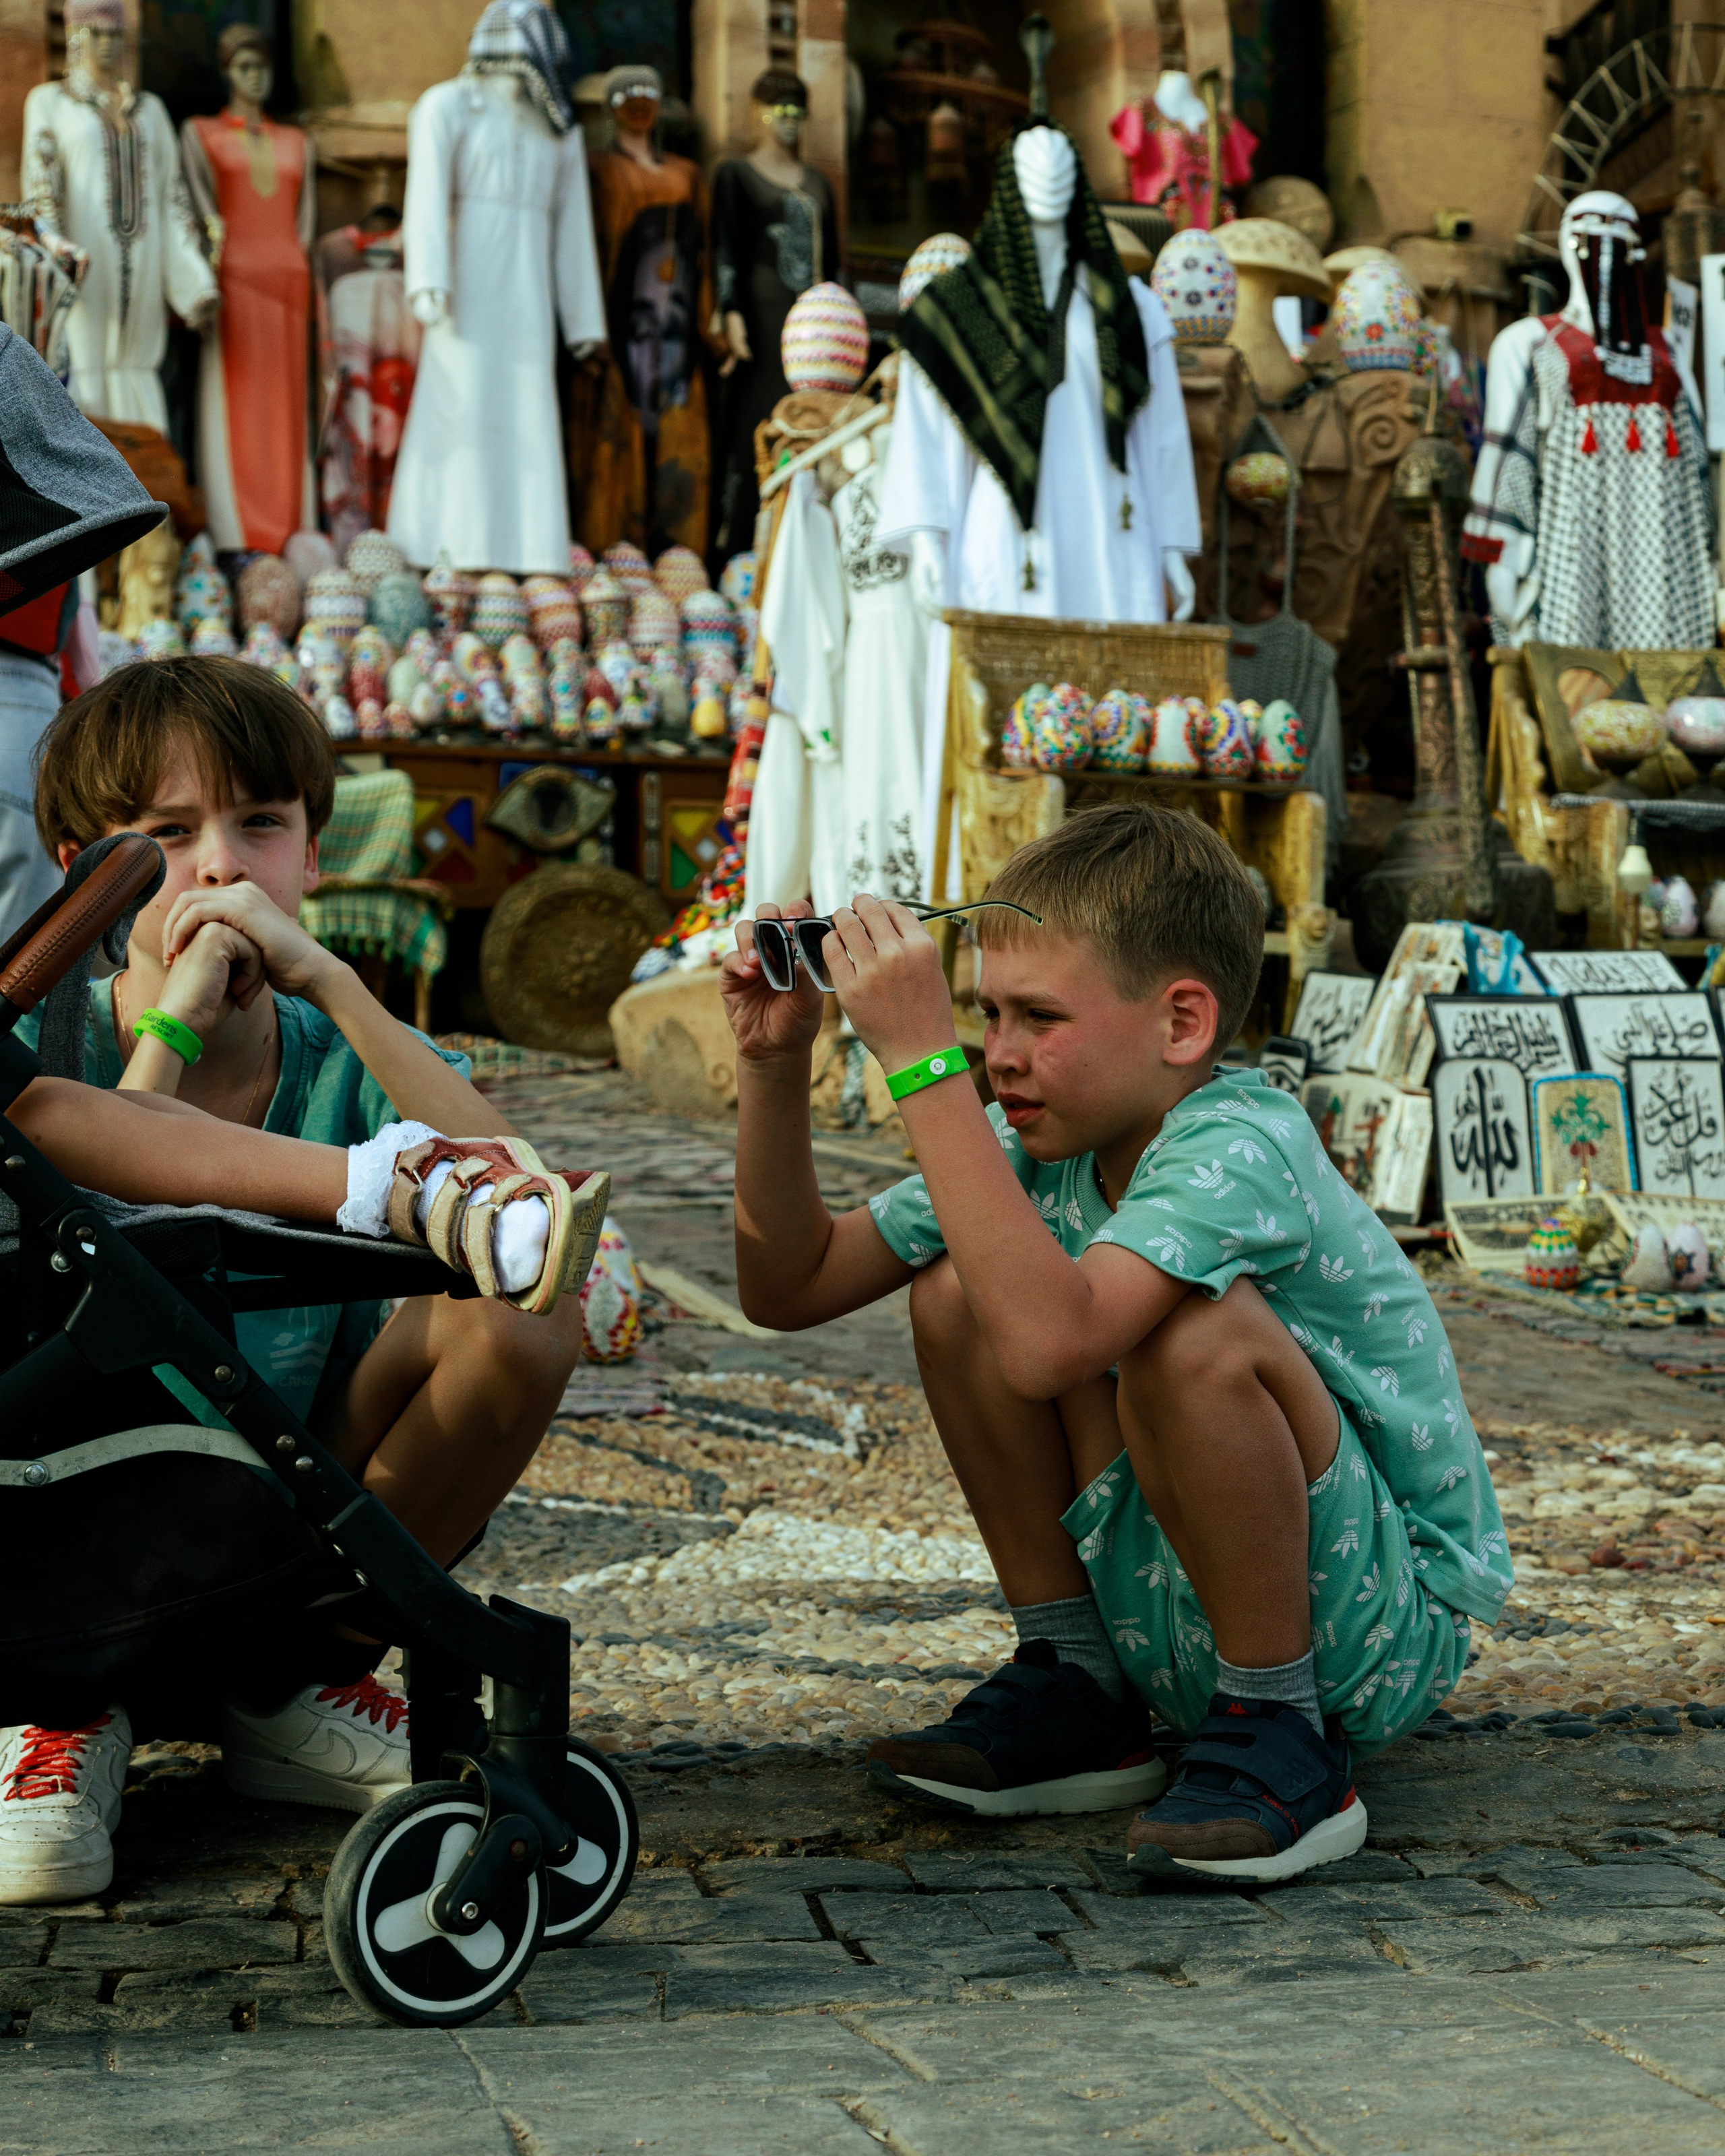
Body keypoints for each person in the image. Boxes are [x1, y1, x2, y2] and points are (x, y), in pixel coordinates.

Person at [720, 804, 1511, 1882]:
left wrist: (919, 1065)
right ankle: (1081, 1686)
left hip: (1365, 1639)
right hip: (1175, 1608)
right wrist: (773, 1068)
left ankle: (1284, 1736)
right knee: (955, 1291)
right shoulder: (1045, 1140)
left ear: (1183, 1025)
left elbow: (1053, 1348)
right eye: (984, 1014)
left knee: (1195, 1336)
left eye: (1039, 1017)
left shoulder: (1241, 1140)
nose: (997, 1056)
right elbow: (792, 1282)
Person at [0, 654, 598, 1905]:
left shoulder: (339, 1046)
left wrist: (329, 979)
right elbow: (102, 1230)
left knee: (528, 1319)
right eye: (166, 835)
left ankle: (294, 1682)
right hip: (61, 1508)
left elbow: (524, 1197)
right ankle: (57, 1710)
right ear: (84, 870)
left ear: (313, 858)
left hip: (285, 1484)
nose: (220, 868)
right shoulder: (33, 1047)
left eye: (259, 826)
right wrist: (168, 1027)